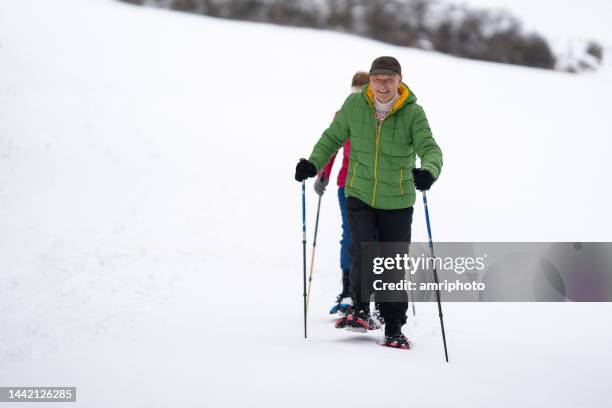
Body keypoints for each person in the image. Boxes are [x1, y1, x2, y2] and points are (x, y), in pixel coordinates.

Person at [295, 56, 443, 349]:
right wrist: (313, 164)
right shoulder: (354, 106)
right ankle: (360, 308)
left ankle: (393, 326)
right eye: (377, 80)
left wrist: (429, 171)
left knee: (391, 263)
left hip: (398, 199)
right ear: (371, 81)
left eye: (389, 80)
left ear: (399, 80)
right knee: (361, 249)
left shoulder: (414, 113)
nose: (382, 85)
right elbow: (331, 138)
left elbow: (429, 147)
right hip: (359, 192)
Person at [314, 71, 370, 316]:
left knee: (373, 239)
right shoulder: (342, 115)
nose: (356, 98)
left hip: (373, 186)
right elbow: (332, 145)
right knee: (349, 236)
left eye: (361, 93)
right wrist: (323, 173)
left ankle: (371, 293)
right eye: (353, 93)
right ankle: (348, 290)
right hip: (346, 185)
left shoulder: (376, 118)